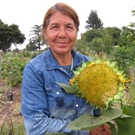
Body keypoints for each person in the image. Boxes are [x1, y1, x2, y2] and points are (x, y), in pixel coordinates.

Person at [21, 2, 111, 135]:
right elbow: (36, 125)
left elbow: (98, 110)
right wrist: (86, 131)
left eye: (69, 27)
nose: (62, 34)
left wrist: (103, 122)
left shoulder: (91, 66)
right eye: (55, 27)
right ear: (45, 33)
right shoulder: (35, 70)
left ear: (76, 32)